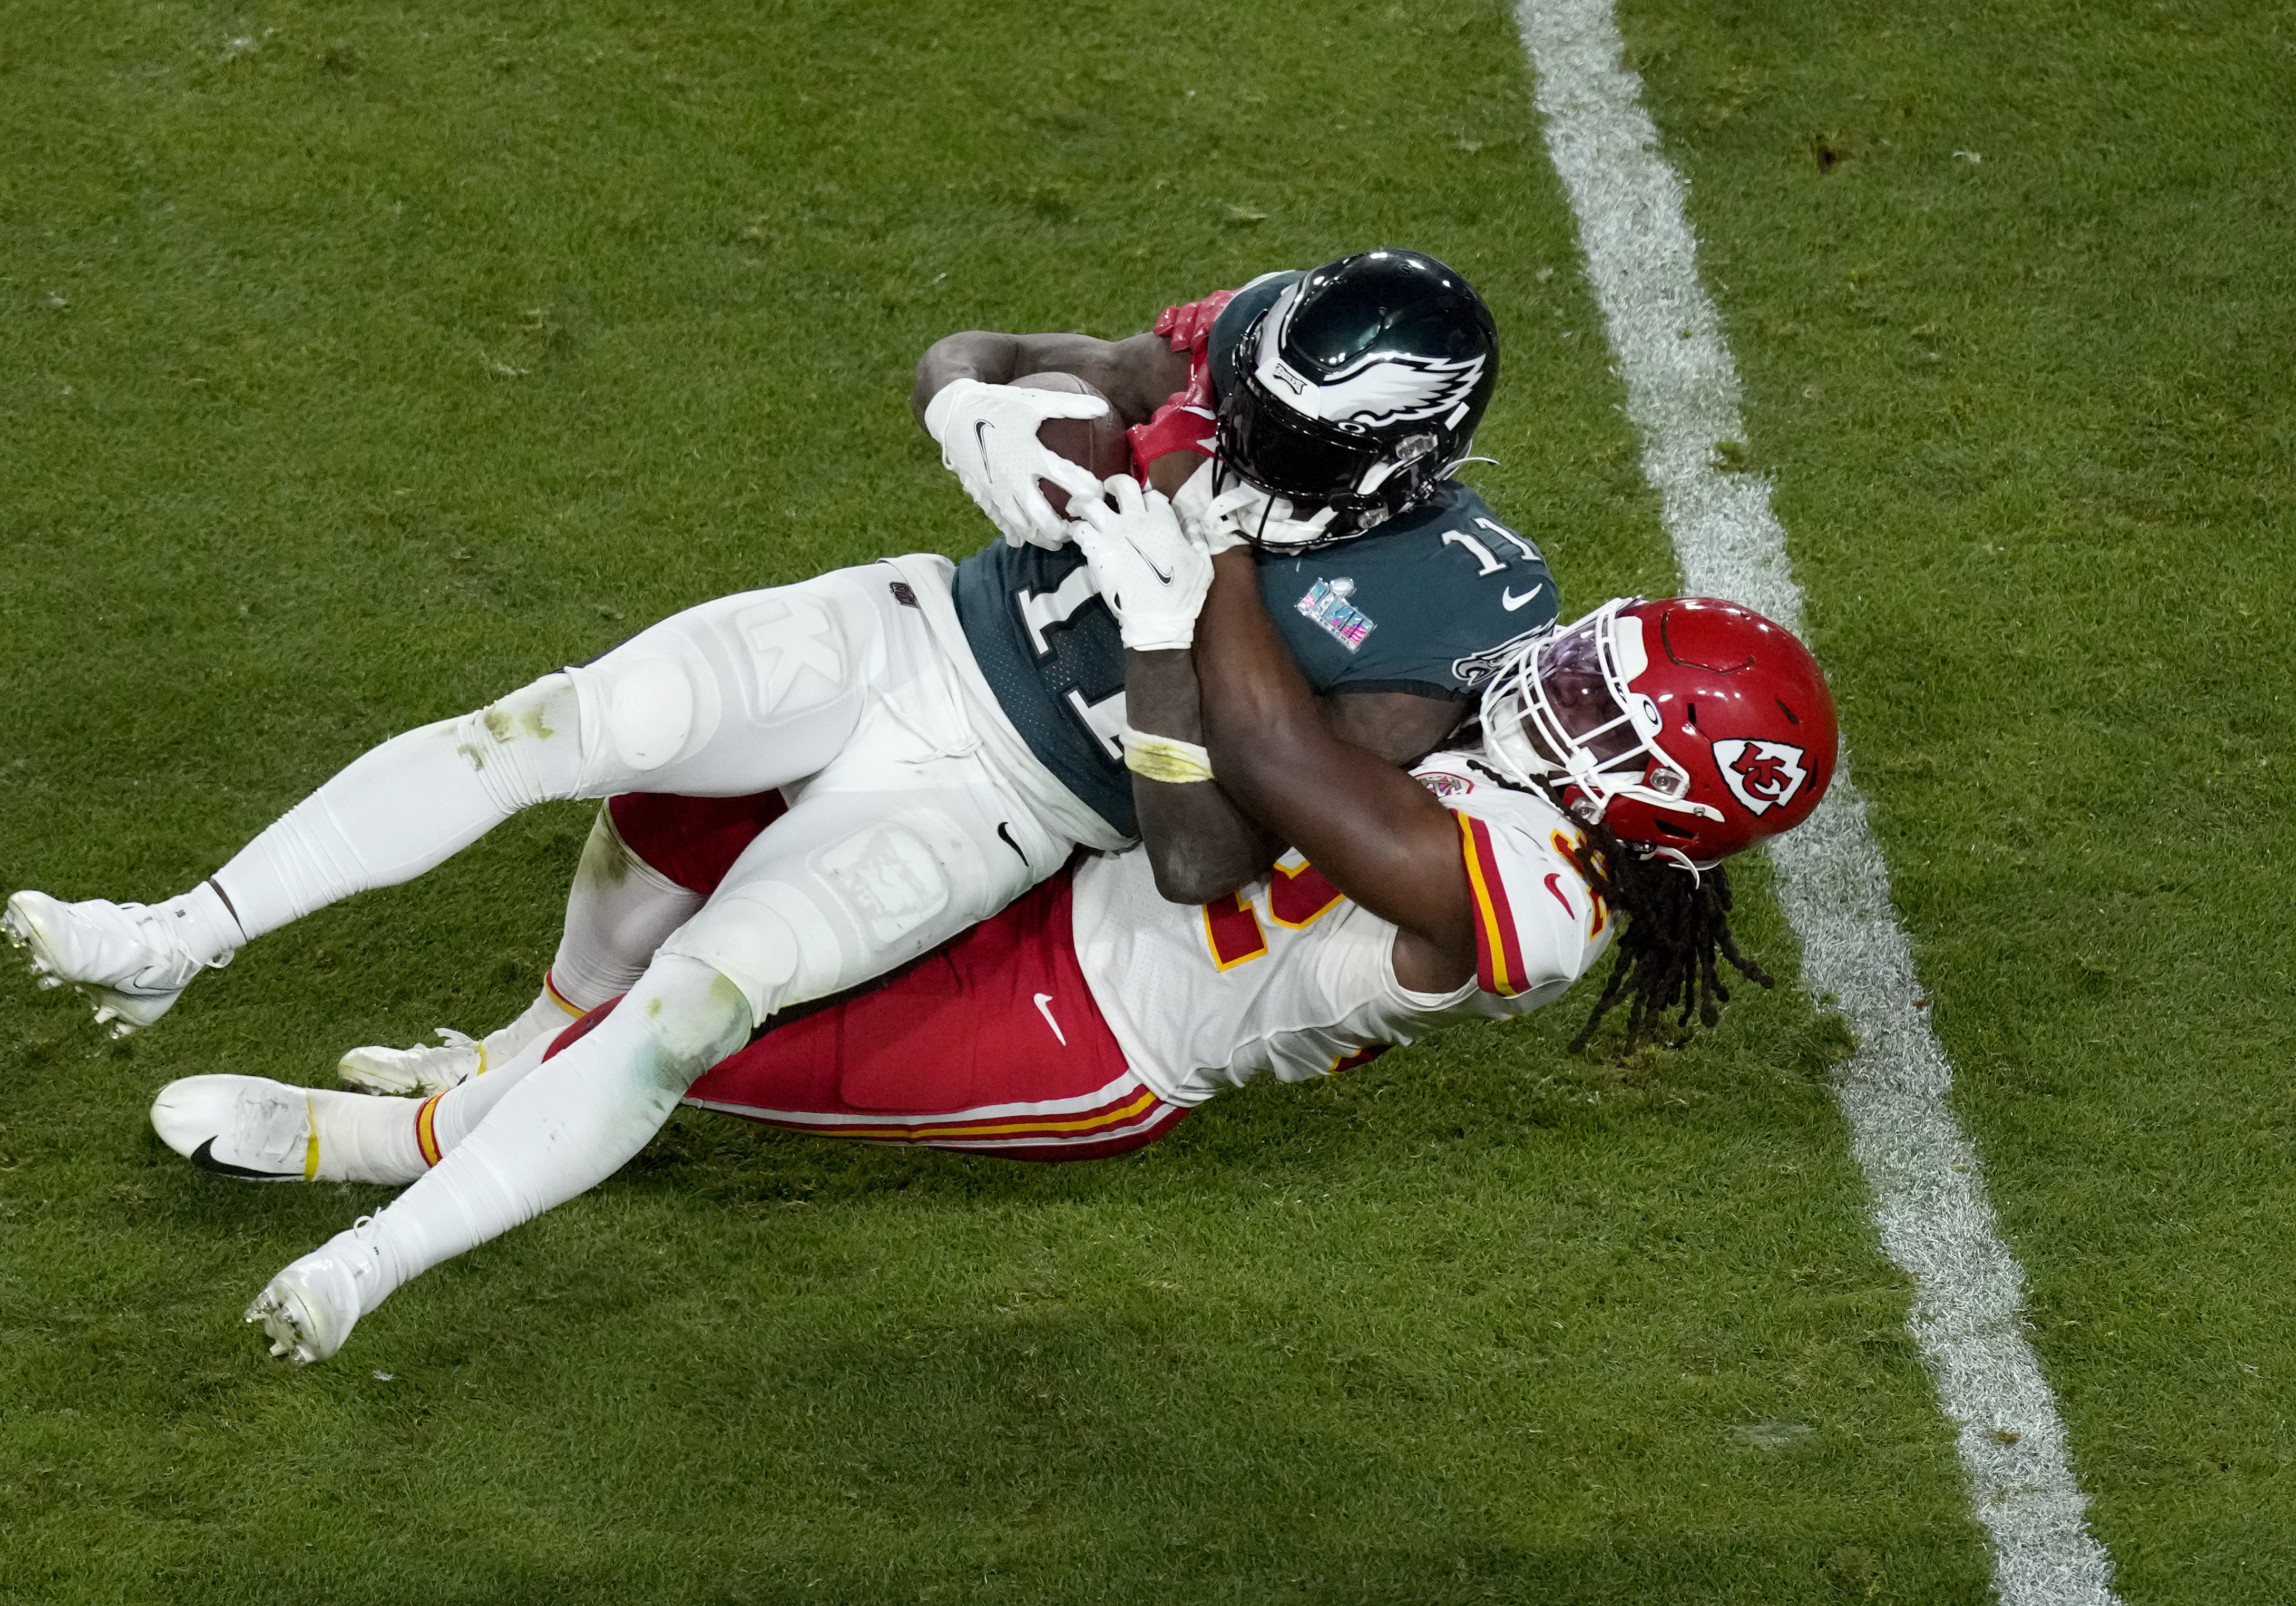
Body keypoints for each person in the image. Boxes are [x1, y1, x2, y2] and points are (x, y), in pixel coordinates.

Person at [169, 483, 1831, 1361]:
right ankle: (503, 1057)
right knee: (693, 794)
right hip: (1071, 861)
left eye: (1603, 707)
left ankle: (389, 1154)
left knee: (683, 1028)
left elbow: (1257, 767)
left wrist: (1220, 554)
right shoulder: (1533, 785)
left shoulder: (1540, 911)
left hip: (1083, 1030)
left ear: (1660, 805)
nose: (1552, 682)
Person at [334, 249, 1565, 1101]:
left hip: (1046, 830)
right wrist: (969, 404)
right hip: (938, 638)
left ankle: (459, 1127)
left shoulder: (1445, 600)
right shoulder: (1247, 350)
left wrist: (1183, 599)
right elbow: (1008, 348)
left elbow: (1205, 850)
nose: (1246, 434)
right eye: (1251, 405)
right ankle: (520, 1048)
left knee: (730, 1017)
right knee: (661, 791)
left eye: (1290, 437)